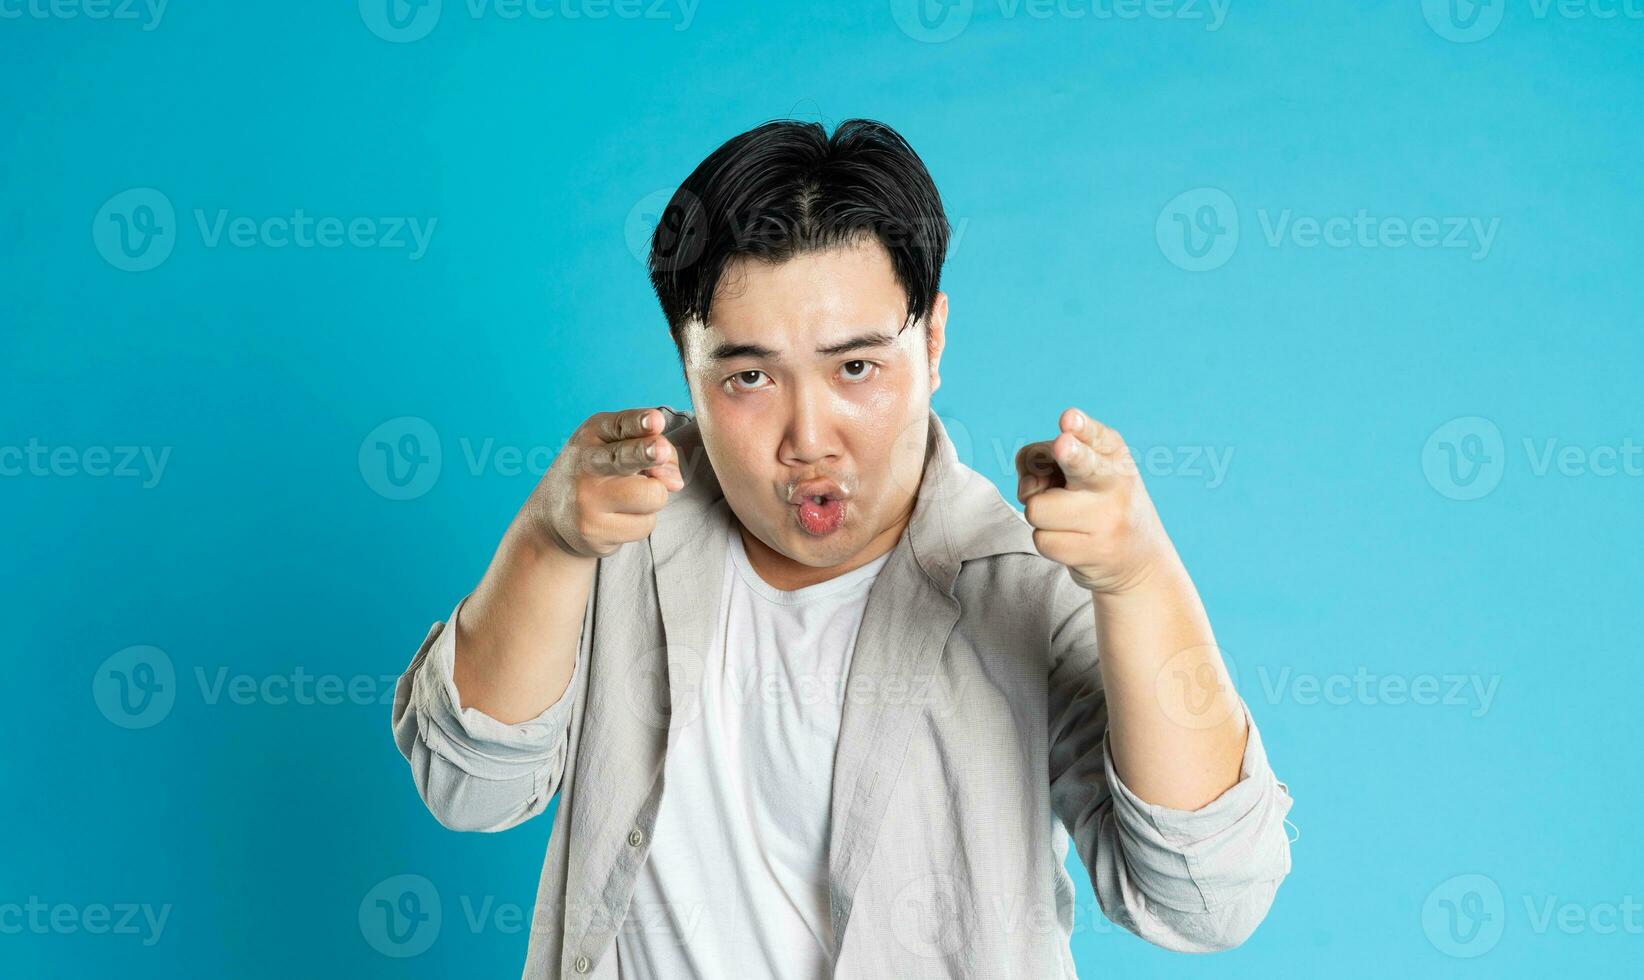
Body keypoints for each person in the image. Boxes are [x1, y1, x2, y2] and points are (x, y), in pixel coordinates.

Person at [391, 117, 1294, 978]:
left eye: (855, 366)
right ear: (685, 363)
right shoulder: (623, 527)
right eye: (749, 377)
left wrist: (1139, 580)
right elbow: (469, 791)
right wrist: (548, 543)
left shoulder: (1020, 582)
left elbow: (1206, 902)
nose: (807, 435)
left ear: (933, 341)